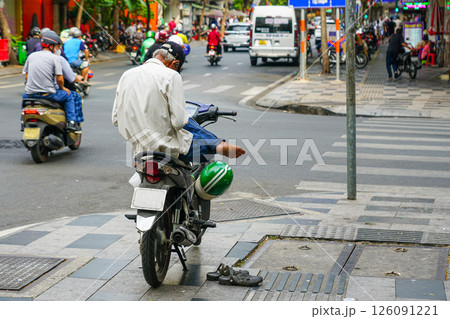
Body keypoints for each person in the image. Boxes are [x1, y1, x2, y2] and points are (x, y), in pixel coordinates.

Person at [112, 41, 245, 163]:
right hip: (168, 149)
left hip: (138, 151)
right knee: (195, 135)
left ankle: (216, 144)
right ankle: (217, 145)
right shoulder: (171, 75)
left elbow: (115, 119)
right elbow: (179, 122)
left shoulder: (126, 75)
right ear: (174, 63)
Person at [23, 31, 78, 132]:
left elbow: (27, 75)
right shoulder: (55, 58)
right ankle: (71, 123)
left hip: (29, 94)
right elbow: (60, 79)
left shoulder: (31, 56)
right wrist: (63, 88)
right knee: (69, 96)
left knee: (24, 103)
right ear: (51, 46)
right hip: (47, 94)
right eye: (57, 46)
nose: (59, 49)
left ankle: (23, 122)